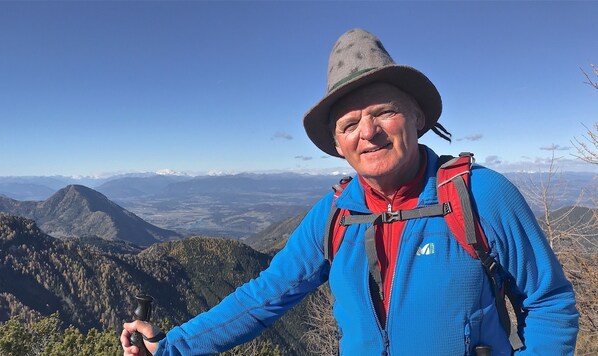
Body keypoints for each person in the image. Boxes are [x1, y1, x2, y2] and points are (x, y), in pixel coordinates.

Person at [121, 28, 579, 355]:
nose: (369, 132)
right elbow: (264, 296)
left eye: (384, 111)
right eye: (349, 124)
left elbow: (550, 302)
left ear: (418, 117)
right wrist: (169, 346)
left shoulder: (480, 195)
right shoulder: (335, 214)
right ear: (338, 145)